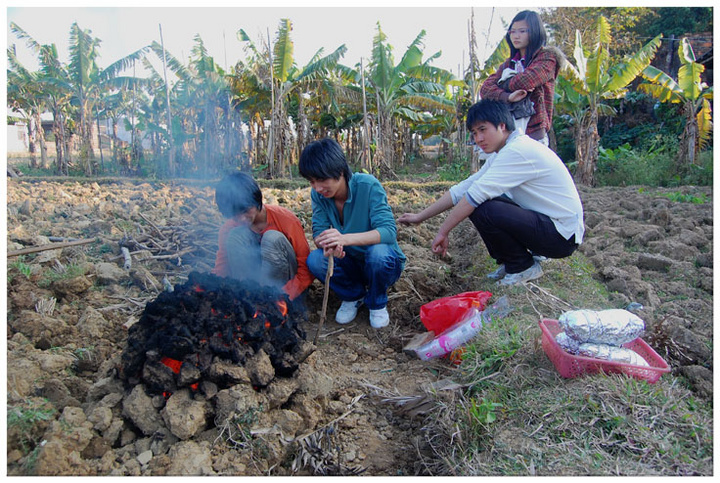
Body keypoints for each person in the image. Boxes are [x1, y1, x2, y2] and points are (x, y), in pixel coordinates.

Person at [398, 99, 584, 286]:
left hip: (561, 237)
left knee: (481, 207)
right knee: (481, 200)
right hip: (550, 226)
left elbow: (472, 197)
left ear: (502, 126)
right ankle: (513, 261)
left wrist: (443, 232)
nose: (478, 139)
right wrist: (419, 217)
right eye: (474, 133)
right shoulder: (504, 151)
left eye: (483, 129)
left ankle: (521, 266)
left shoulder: (517, 151)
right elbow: (463, 189)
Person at [299, 138, 405, 329]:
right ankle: (353, 295)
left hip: (380, 265)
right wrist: (329, 245)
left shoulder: (367, 185)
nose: (317, 188)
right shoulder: (319, 196)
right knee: (315, 260)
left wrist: (344, 239)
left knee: (379, 254)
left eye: (322, 180)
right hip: (350, 262)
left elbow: (388, 231)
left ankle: (377, 301)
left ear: (339, 171)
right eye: (312, 181)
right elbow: (319, 231)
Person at [212, 172, 314, 302]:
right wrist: (211, 289)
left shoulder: (286, 220)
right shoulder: (229, 227)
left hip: (285, 290)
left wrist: (286, 294)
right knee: (236, 235)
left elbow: (305, 267)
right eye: (235, 214)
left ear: (256, 200)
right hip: (253, 291)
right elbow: (223, 265)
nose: (242, 218)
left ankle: (271, 297)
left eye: (246, 211)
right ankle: (248, 293)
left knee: (271, 238)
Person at [480, 10, 564, 146]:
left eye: (522, 31)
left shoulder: (547, 58)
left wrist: (504, 82)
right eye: (512, 32)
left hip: (534, 133)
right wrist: (507, 97)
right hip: (508, 133)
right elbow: (485, 90)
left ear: (535, 31)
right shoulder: (508, 64)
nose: (516, 36)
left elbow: (527, 80)